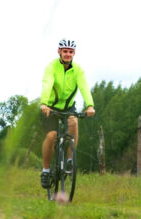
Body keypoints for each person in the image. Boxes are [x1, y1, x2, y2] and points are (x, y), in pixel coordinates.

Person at [39, 39, 95, 189]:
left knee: (74, 122)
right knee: (51, 136)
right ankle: (45, 170)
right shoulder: (51, 67)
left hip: (68, 107)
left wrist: (90, 105)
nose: (68, 54)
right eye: (65, 51)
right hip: (50, 107)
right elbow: (47, 83)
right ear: (59, 52)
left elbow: (84, 87)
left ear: (74, 53)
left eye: (70, 52)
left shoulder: (78, 69)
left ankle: (70, 159)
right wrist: (44, 103)